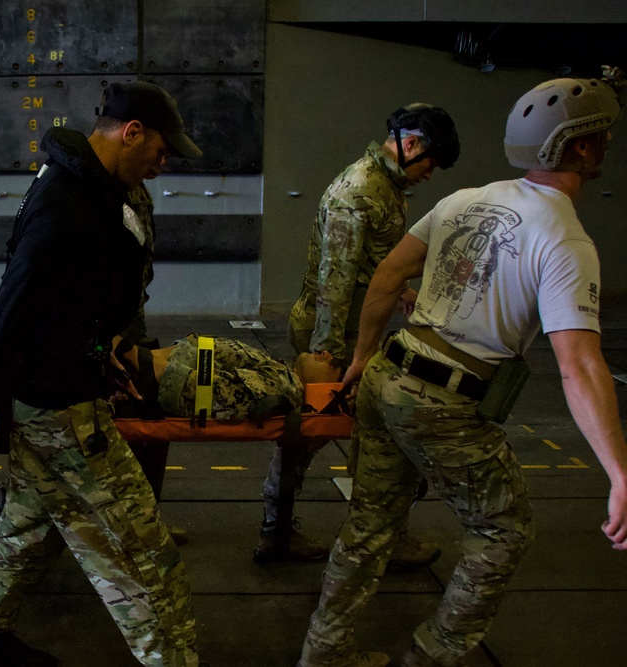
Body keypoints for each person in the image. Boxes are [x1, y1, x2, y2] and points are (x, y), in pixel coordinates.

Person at [298, 76, 627, 667]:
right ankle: (430, 657)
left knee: (370, 524)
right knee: (505, 532)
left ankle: (323, 653)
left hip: (387, 376)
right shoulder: (565, 238)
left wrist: (362, 360)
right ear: (581, 148)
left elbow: (384, 278)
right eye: (600, 135)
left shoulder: (462, 199)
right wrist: (620, 473)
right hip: (442, 403)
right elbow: (578, 365)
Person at [0, 81, 204, 666]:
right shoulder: (67, 205)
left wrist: (103, 356)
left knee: (27, 524)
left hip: (59, 394)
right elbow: (3, 321)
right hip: (61, 411)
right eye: (160, 147)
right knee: (144, 556)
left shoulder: (88, 189)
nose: (164, 160)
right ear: (131, 132)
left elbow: (72, 304)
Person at [257, 104, 460, 567]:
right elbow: (335, 282)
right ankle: (370, 537)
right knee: (338, 433)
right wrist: (331, 357)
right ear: (411, 147)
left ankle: (280, 531)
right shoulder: (361, 192)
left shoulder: (387, 186)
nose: (431, 175)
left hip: (348, 329)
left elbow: (373, 260)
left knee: (313, 435)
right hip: (332, 334)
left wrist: (403, 292)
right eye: (431, 164)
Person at [113, 334, 343, 420]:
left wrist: (126, 351)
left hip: (137, 373)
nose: (327, 354)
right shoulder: (280, 373)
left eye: (334, 365)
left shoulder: (283, 386)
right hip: (135, 364)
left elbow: (190, 386)